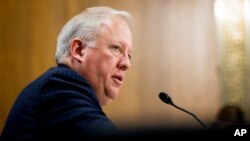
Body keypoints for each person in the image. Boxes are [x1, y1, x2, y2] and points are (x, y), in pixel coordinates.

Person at [1, 6, 133, 140]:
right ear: (79, 50)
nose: (126, 64)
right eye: (116, 48)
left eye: (129, 55)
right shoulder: (59, 87)